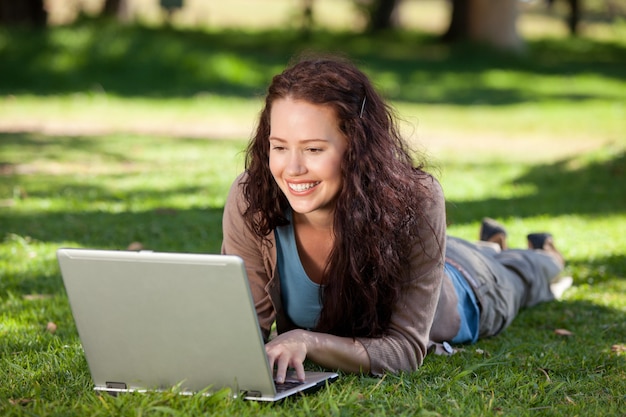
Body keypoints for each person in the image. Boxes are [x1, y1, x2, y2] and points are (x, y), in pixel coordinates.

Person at [221, 56, 571, 383]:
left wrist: (309, 342)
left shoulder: (416, 199)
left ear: (357, 146)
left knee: (523, 273)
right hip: (436, 257)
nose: (292, 169)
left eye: (313, 149)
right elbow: (241, 325)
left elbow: (405, 349)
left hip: (471, 287)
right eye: (279, 147)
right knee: (478, 253)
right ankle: (490, 244)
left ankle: (543, 255)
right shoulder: (253, 198)